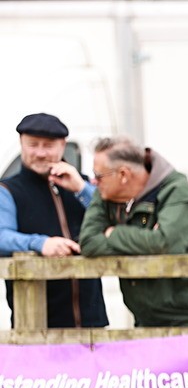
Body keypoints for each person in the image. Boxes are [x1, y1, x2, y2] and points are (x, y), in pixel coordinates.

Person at [79, 136, 188, 328]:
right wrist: (146, 241)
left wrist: (113, 234)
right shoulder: (105, 193)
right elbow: (89, 242)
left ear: (123, 174)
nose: (93, 182)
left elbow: (165, 244)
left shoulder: (176, 190)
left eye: (99, 176)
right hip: (154, 320)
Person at [0, 113, 108, 328]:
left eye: (48, 145)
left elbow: (114, 221)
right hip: (35, 326)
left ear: (63, 145)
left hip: (92, 324)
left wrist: (82, 189)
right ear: (21, 143)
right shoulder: (7, 190)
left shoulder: (82, 184)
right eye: (33, 145)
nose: (40, 153)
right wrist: (41, 243)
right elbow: (2, 236)